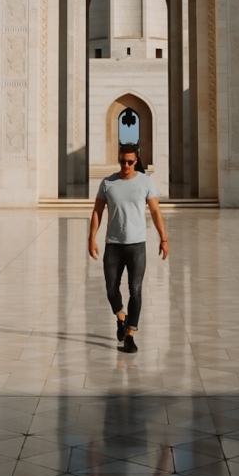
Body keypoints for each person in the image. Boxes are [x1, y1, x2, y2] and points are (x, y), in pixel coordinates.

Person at [88, 142, 169, 353]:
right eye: (123, 161)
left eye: (130, 162)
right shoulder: (108, 183)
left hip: (136, 246)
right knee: (111, 289)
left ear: (136, 161)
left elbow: (155, 212)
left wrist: (164, 238)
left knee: (135, 290)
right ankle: (121, 318)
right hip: (113, 245)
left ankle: (130, 335)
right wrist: (91, 238)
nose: (126, 165)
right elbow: (97, 211)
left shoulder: (145, 182)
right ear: (119, 159)